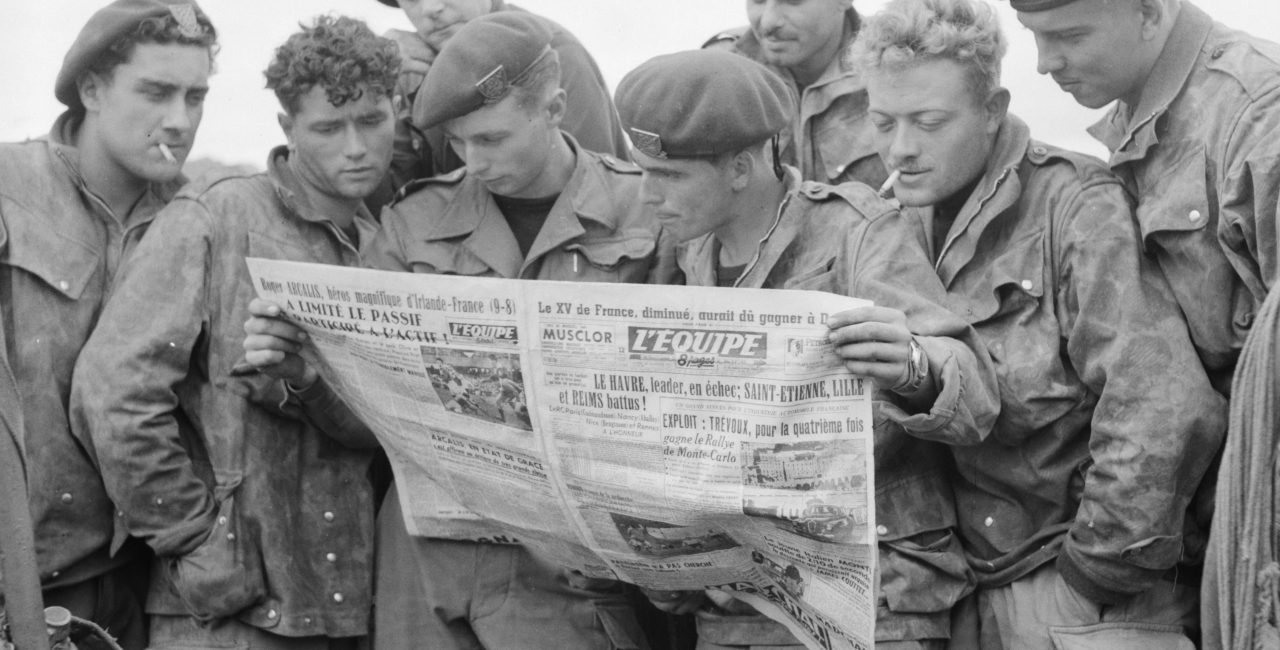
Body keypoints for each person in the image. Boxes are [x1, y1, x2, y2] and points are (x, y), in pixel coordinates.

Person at [855, 0, 1227, 647]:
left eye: (928, 122)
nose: (901, 149)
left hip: (1080, 590)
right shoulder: (889, 225)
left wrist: (1090, 578)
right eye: (883, 123)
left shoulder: (1075, 206)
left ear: (993, 110)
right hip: (966, 587)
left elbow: (1161, 408)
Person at [615, 48, 1000, 650]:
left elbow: (976, 395)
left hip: (873, 600)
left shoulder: (856, 230)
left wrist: (914, 367)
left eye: (667, 176)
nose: (646, 196)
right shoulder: (693, 254)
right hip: (739, 604)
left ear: (741, 167)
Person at [71, 15, 398, 649]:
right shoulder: (219, 215)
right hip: (223, 619)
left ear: (398, 110)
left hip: (345, 612)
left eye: (372, 121)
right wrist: (194, 539)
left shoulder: (386, 247)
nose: (355, 147)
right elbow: (113, 394)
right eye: (328, 128)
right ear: (288, 129)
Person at [362, 12, 670, 650]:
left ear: (555, 108)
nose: (474, 162)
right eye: (459, 142)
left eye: (493, 139)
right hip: (427, 560)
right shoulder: (412, 222)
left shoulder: (645, 211)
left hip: (569, 564)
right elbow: (369, 405)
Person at [0, 2, 216, 647]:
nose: (178, 121)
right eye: (155, 92)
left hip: (137, 587)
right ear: (92, 89)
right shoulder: (9, 188)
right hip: (16, 583)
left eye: (195, 96)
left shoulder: (203, 215)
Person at [1013, 0, 1279, 395]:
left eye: (1070, 36)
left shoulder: (1258, 115)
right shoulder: (1132, 101)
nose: (1045, 62)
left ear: (1149, 14)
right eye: (1033, 34)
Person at [367, 0, 628, 207]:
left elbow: (594, 196)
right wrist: (376, 80)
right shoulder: (408, 67)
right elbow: (387, 199)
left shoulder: (549, 55)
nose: (431, 8)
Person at [703, 0, 885, 187]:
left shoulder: (900, 63)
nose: (768, 22)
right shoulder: (719, 70)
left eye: (791, 2)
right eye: (758, 1)